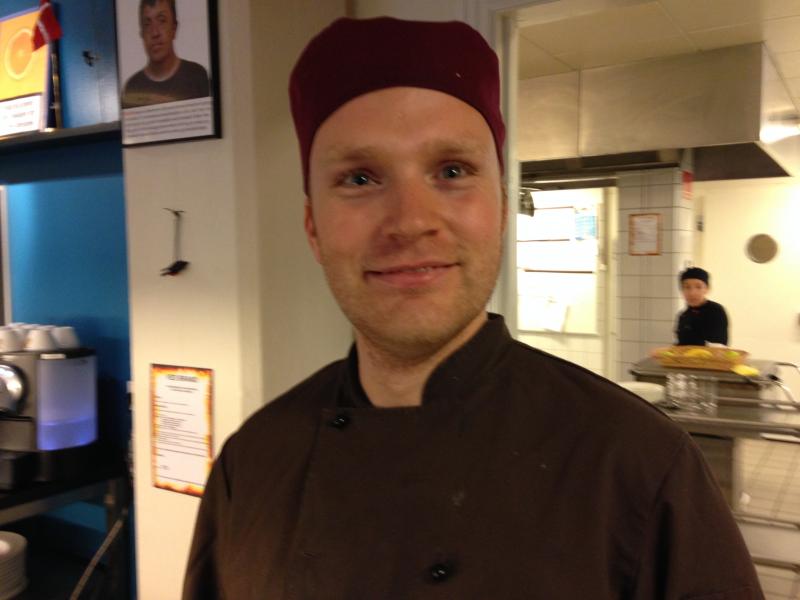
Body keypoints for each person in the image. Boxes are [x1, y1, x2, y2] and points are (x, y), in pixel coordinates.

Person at [182, 17, 763, 599]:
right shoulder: (251, 466)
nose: (411, 221)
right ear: (313, 227)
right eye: (359, 178)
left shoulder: (643, 469)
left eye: (452, 171)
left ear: (503, 209)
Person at [121, 0, 210, 109]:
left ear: (174, 28)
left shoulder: (197, 76)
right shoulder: (133, 88)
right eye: (147, 24)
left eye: (162, 21)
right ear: (142, 34)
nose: (155, 33)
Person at [676, 267, 729, 346]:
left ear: (707, 289)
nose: (692, 293)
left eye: (698, 287)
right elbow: (681, 344)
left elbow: (719, 346)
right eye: (687, 287)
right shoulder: (683, 315)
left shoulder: (716, 311)